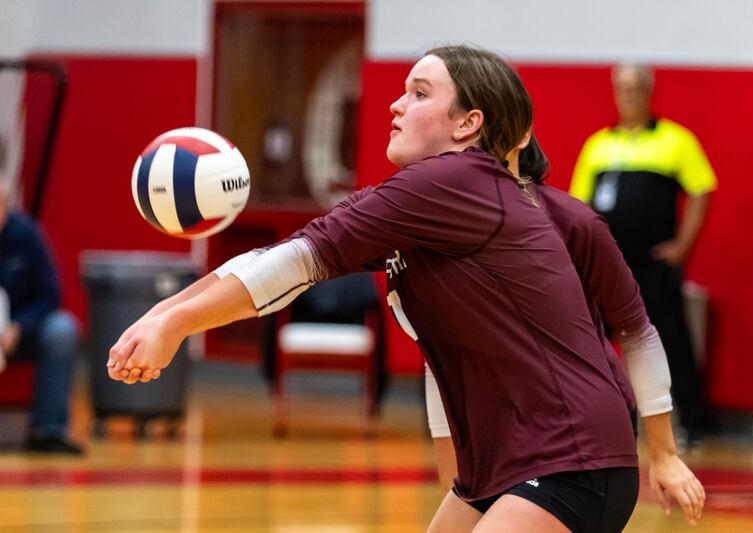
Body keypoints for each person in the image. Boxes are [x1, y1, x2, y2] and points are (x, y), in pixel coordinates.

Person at [108, 46, 704, 532]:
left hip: (571, 459)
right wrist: (168, 311)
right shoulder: (423, 202)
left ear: (471, 125)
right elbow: (294, 261)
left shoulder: (460, 183)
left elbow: (293, 262)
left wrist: (175, 323)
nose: (395, 104)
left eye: (420, 93)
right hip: (510, 464)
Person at [425, 135, 704, 526]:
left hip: (576, 443)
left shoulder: (571, 221)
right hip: (500, 443)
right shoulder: (429, 232)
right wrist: (454, 478)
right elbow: (439, 359)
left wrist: (664, 455)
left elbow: (637, 331)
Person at [570, 65, 716, 445]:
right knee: (593, 340)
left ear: (649, 92)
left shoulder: (675, 140)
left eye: (636, 89)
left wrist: (681, 246)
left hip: (653, 264)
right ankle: (597, 420)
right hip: (607, 264)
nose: (628, 96)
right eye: (622, 89)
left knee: (670, 340)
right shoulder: (598, 144)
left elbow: (702, 191)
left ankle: (693, 423)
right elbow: (579, 206)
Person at [0, 181, 83, 454]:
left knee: (63, 329)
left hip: (22, 332)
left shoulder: (27, 235)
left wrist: (19, 327)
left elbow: (50, 295)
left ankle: (49, 430)